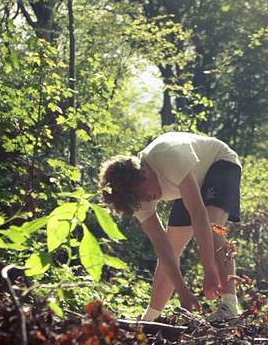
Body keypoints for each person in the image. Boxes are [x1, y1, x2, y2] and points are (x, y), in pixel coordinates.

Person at [98, 132, 241, 323]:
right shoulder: (137, 197)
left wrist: (209, 269)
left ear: (143, 172)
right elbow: (162, 246)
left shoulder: (168, 154)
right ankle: (151, 317)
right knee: (172, 245)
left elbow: (198, 214)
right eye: (139, 200)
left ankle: (230, 307)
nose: (147, 200)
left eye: (144, 193)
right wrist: (183, 291)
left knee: (212, 225)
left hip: (220, 164)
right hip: (189, 183)